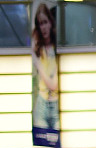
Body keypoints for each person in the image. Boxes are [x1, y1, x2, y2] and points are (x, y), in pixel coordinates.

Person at [30, 2, 57, 133]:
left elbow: (53, 85)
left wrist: (37, 63)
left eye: (45, 22)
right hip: (41, 103)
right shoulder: (39, 50)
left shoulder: (56, 50)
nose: (43, 27)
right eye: (40, 24)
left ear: (51, 23)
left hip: (56, 104)